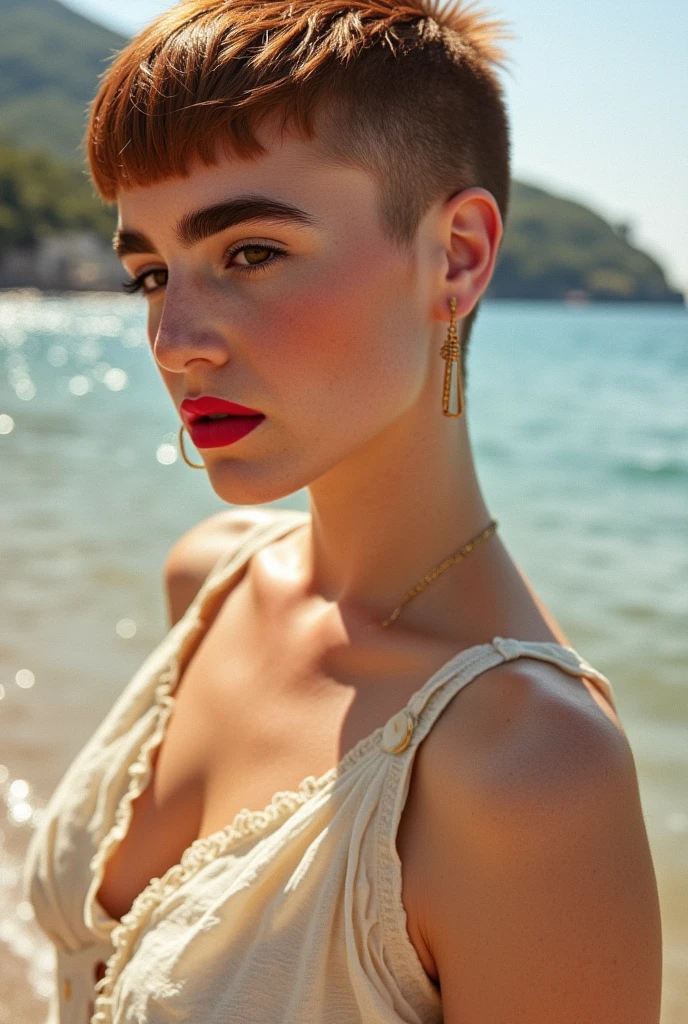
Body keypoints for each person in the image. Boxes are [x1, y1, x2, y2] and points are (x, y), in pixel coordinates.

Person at [24, 0, 662, 1021]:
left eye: (250, 252)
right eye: (150, 271)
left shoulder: (528, 767)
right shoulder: (213, 574)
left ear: (454, 256)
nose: (175, 337)